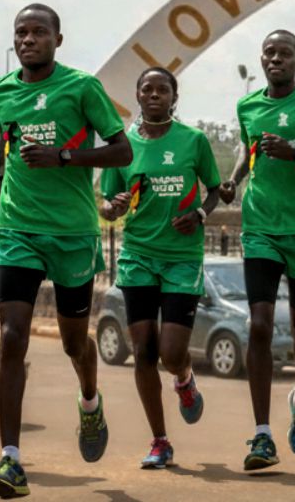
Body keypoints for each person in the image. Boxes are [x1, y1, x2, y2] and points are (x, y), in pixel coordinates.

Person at [0, 4, 133, 498]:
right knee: (14, 335)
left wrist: (64, 157)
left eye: (39, 32)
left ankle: (89, 401)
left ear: (59, 39)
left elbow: (122, 150)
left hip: (73, 234)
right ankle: (11, 460)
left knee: (73, 342)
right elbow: (5, 131)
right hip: (19, 229)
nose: (28, 39)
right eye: (21, 32)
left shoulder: (81, 88)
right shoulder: (2, 90)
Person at [218, 30, 295, 469]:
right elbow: (250, 152)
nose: (276, 59)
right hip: (261, 228)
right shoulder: (248, 106)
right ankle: (262, 434)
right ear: (262, 59)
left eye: (285, 54)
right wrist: (235, 179)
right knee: (261, 324)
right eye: (269, 53)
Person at [98, 67, 221, 469]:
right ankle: (160, 441)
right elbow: (109, 200)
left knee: (171, 353)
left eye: (162, 89)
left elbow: (215, 189)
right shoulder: (123, 146)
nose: (154, 94)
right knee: (144, 351)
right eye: (146, 88)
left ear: (174, 95)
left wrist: (200, 213)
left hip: (182, 258)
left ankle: (184, 380)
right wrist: (112, 207)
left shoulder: (194, 141)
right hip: (137, 256)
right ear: (137, 95)